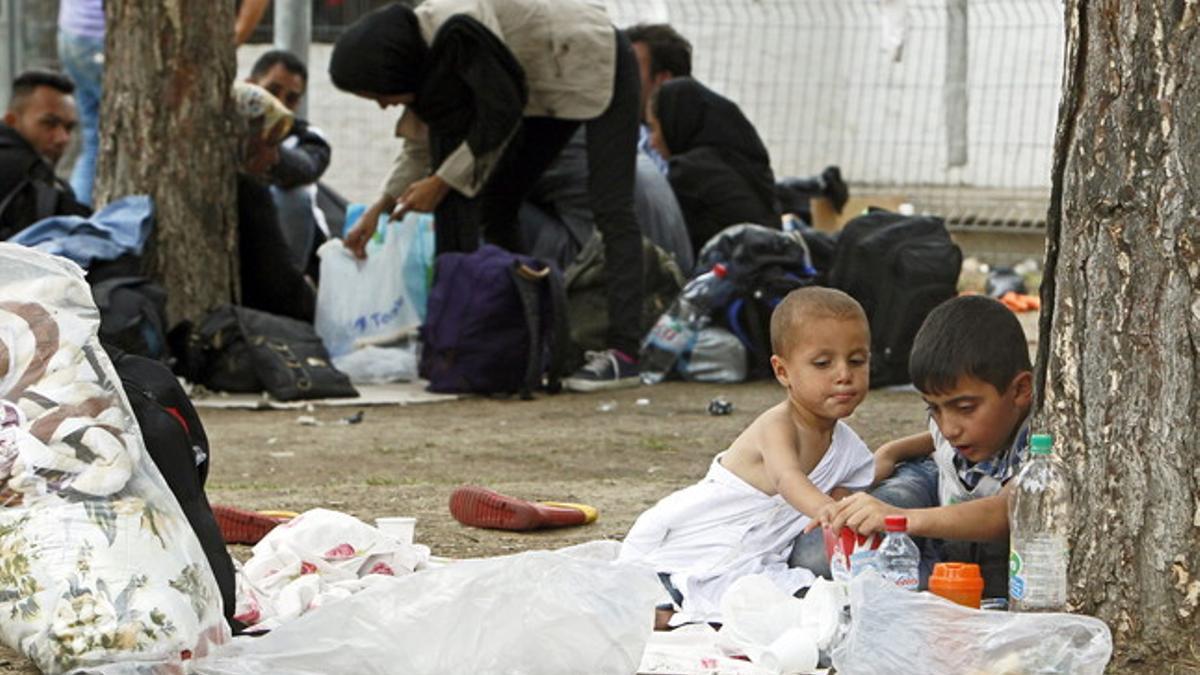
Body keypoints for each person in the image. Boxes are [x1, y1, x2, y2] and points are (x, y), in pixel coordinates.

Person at [329, 0, 645, 391]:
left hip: (591, 60)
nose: (383, 104)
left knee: (612, 207)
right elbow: (423, 139)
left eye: (377, 93)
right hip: (538, 82)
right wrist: (381, 207)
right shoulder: (424, 59)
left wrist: (441, 182)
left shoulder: (460, 34)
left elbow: (496, 119)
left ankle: (624, 353)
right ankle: (520, 337)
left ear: (392, 68)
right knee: (499, 204)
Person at [618, 287, 874, 628]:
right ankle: (661, 605)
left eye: (857, 360)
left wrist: (912, 447)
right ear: (782, 371)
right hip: (709, 536)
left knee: (795, 607)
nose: (844, 374)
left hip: (759, 554)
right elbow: (788, 478)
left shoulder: (845, 443)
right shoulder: (777, 424)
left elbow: (865, 474)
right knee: (671, 593)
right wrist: (825, 508)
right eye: (823, 363)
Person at [793, 295, 1032, 597]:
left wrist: (898, 519)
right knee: (814, 554)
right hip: (931, 484)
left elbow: (1002, 514)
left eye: (965, 408)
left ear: (1021, 390)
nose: (949, 428)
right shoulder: (954, 424)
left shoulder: (1043, 438)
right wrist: (888, 455)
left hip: (975, 533)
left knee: (960, 589)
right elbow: (935, 438)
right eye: (934, 408)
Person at [646, 76, 780, 256]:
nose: (652, 142)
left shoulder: (687, 172)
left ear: (674, 122)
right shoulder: (744, 159)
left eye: (654, 129)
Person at [247, 49, 337, 275]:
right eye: (272, 90)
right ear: (250, 84)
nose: (279, 103)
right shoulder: (220, 127)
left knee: (295, 195)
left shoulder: (308, 136)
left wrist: (273, 157)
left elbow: (306, 167)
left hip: (285, 261)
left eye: (292, 98)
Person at [233, 81, 316, 322]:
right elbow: (281, 288)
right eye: (268, 144)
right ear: (243, 139)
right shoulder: (250, 195)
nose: (274, 158)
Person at [0, 70, 90, 240]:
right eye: (49, 123)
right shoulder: (28, 173)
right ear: (12, 121)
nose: (63, 138)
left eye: (69, 128)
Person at [624, 23, 692, 173]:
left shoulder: (692, 152)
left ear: (664, 81)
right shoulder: (624, 135)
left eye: (630, 69)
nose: (619, 79)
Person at [56, 0, 104, 208]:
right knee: (96, 139)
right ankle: (77, 216)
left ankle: (74, 217)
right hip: (96, 35)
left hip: (73, 32)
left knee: (94, 140)